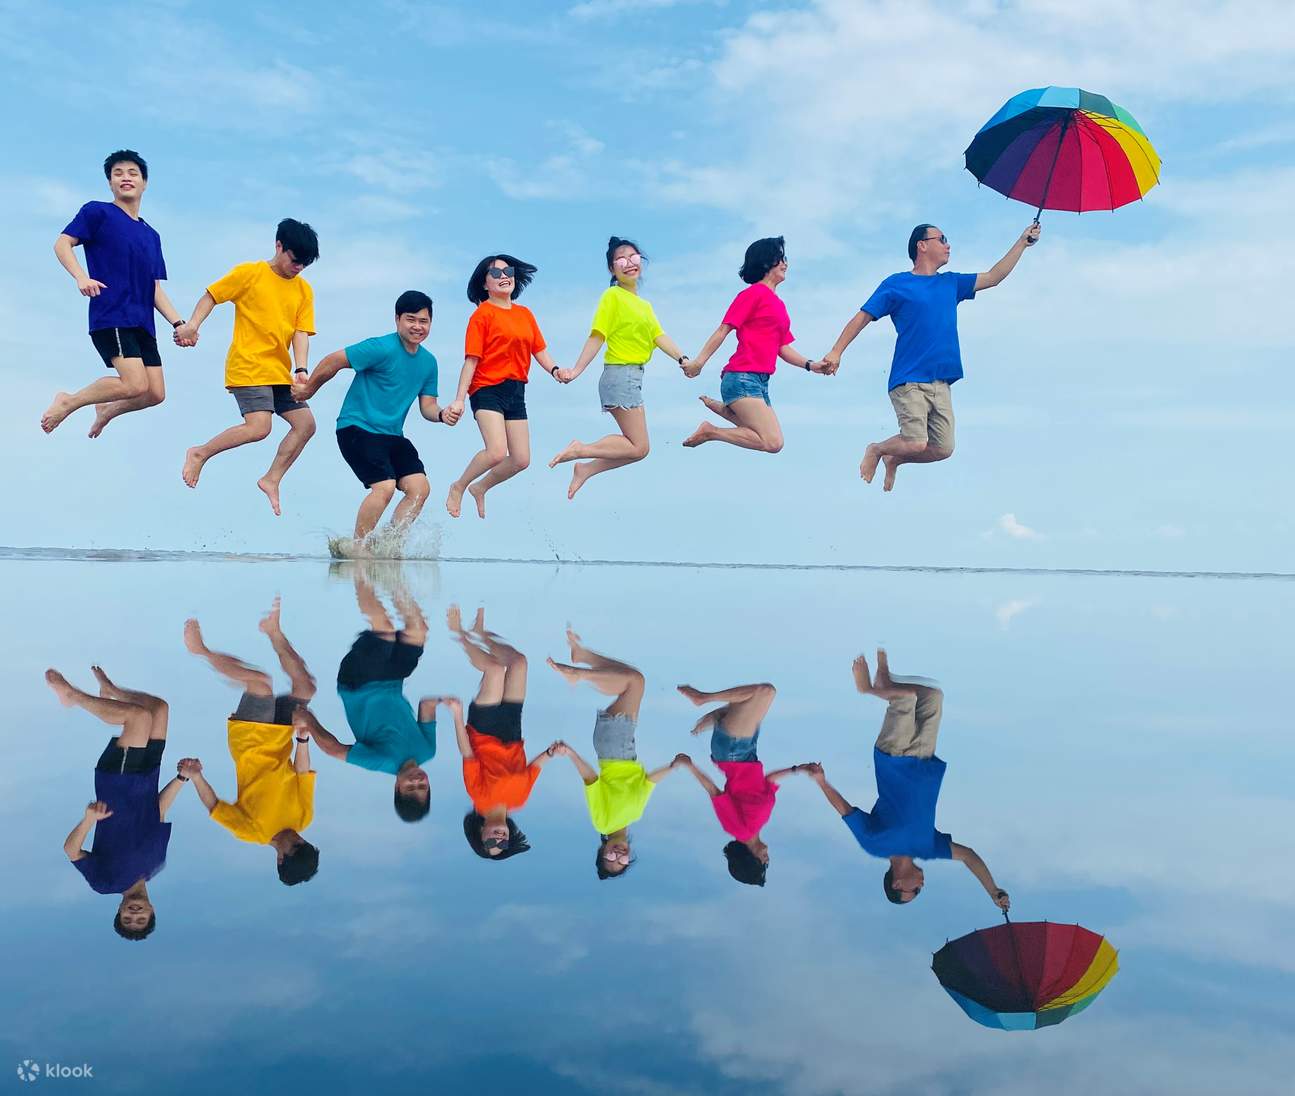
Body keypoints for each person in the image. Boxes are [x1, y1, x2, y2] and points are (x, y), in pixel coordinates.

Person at [820, 221, 1041, 492]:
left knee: (943, 448)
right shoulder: (897, 284)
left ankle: (894, 459)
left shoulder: (951, 283)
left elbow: (994, 276)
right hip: (909, 380)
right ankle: (876, 449)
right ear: (922, 246)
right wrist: (836, 351)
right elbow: (863, 317)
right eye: (942, 239)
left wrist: (1022, 243)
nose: (948, 245)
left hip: (941, 383)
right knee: (915, 441)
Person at [808, 650, 1010, 909]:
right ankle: (885, 681)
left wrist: (821, 782)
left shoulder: (875, 845)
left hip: (892, 756)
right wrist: (993, 890)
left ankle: (869, 689)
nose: (920, 886)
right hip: (924, 757)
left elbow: (845, 810)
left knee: (904, 699)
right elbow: (968, 856)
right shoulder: (929, 848)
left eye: (914, 891)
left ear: (897, 884)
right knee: (933, 696)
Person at [291, 290, 460, 554]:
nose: (417, 326)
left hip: (392, 435)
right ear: (397, 319)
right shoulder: (380, 347)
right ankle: (358, 548)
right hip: (356, 428)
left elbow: (427, 406)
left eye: (424, 321)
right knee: (385, 487)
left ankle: (387, 547)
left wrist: (441, 414)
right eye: (411, 319)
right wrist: (308, 389)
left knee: (419, 488)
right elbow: (334, 360)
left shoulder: (429, 362)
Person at [176, 218, 320, 516]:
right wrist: (192, 325)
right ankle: (200, 453)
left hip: (279, 372)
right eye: (295, 260)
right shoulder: (250, 273)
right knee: (259, 427)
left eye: (304, 264)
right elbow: (212, 296)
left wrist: (302, 370)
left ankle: (272, 479)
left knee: (306, 425)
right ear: (279, 246)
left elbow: (300, 332)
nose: (298, 268)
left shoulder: (304, 290)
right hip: (249, 364)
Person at [295, 562, 456, 823]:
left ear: (397, 787)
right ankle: (390, 573)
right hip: (393, 679)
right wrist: (443, 702)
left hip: (358, 684)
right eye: (422, 787)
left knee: (385, 630)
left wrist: (308, 720)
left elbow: (334, 750)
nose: (417, 781)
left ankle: (359, 567)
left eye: (410, 787)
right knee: (418, 629)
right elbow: (426, 706)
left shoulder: (380, 761)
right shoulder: (428, 751)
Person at [42, 149, 188, 437]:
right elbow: (62, 243)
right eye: (118, 174)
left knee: (154, 393)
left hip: (142, 322)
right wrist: (81, 276)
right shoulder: (98, 212)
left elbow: (154, 287)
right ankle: (68, 401)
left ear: (144, 183)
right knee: (134, 384)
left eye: (133, 173)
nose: (125, 178)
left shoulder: (151, 235)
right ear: (110, 183)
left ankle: (107, 410)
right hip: (112, 313)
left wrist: (179, 323)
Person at [181, 601, 319, 885]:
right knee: (306, 687)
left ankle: (201, 651)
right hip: (282, 737)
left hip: (251, 743)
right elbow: (303, 773)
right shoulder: (304, 818)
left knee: (260, 682)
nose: (297, 838)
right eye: (303, 842)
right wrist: (303, 738)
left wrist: (196, 777)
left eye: (294, 847)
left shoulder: (251, 831)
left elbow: (214, 806)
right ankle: (273, 631)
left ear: (280, 858)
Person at [47, 666, 186, 940]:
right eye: (141, 919)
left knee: (137, 717)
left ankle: (73, 697)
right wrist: (182, 778)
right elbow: (158, 811)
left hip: (117, 782)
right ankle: (111, 691)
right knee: (159, 709)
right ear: (152, 910)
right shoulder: (156, 863)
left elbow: (71, 851)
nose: (134, 914)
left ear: (119, 911)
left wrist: (88, 820)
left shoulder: (105, 883)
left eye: (128, 919)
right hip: (149, 774)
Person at [548, 238, 692, 499]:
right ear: (612, 269)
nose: (629, 263)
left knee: (638, 449)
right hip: (620, 374)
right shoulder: (612, 296)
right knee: (638, 447)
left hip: (633, 377)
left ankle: (585, 468)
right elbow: (597, 336)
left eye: (633, 257)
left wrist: (682, 359)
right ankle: (581, 450)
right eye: (621, 259)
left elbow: (659, 336)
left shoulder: (644, 306)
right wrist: (576, 370)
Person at [546, 629, 684, 878]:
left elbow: (591, 780)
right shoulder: (634, 815)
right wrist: (673, 766)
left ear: (602, 850)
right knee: (632, 680)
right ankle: (582, 656)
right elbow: (649, 781)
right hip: (625, 747)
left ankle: (579, 674)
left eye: (610, 858)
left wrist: (571, 753)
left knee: (634, 683)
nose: (618, 855)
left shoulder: (603, 822)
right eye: (623, 860)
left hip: (612, 749)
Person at [681, 236, 830, 453]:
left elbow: (782, 347)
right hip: (742, 377)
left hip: (760, 382)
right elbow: (723, 330)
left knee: (765, 437)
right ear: (766, 262)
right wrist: (698, 363)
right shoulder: (753, 294)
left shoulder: (778, 305)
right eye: (780, 258)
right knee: (773, 442)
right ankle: (711, 431)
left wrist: (811, 365)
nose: (785, 264)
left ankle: (725, 410)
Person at [443, 255, 563, 519]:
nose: (504, 276)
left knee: (521, 459)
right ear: (484, 284)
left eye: (507, 271)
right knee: (497, 451)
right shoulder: (481, 315)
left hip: (516, 390)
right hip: (487, 388)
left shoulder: (525, 314)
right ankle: (459, 486)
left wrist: (556, 370)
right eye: (495, 273)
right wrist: (459, 399)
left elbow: (539, 351)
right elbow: (471, 360)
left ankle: (480, 487)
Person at [672, 681, 818, 886]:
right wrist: (798, 769)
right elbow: (769, 780)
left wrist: (690, 766)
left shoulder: (739, 830)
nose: (767, 860)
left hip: (732, 754)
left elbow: (715, 793)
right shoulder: (759, 823)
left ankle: (704, 699)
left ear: (750, 860)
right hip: (748, 751)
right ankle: (718, 716)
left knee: (764, 692)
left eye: (763, 865)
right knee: (758, 697)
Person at [448, 605, 560, 860]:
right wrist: (551, 752)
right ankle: (481, 633)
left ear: (481, 832)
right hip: (512, 728)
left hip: (483, 729)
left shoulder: (479, 797)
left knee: (496, 669)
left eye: (490, 841)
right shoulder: (519, 800)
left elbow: (467, 753)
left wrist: (456, 715)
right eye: (503, 842)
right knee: (519, 662)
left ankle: (460, 635)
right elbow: (533, 769)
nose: (498, 837)